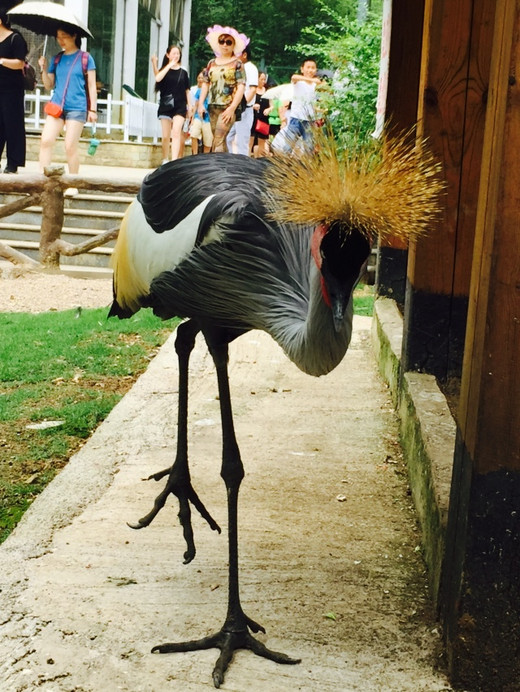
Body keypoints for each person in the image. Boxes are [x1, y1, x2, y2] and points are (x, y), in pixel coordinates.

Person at [38, 27, 97, 195]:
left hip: (77, 107)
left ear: (74, 35)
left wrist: (92, 109)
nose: (61, 40)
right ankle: (42, 181)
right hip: (57, 105)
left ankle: (73, 183)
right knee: (46, 141)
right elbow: (49, 84)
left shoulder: (86, 58)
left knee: (70, 145)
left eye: (64, 36)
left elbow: (92, 85)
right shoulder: (57, 59)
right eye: (58, 37)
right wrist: (43, 68)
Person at [198, 25, 246, 153]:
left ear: (233, 45)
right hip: (213, 105)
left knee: (218, 139)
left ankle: (216, 167)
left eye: (228, 42)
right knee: (219, 139)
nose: (225, 45)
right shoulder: (211, 63)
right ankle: (226, 167)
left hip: (227, 106)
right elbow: (206, 83)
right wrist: (201, 103)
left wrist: (232, 108)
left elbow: (241, 86)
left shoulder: (237, 64)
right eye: (222, 41)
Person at [272, 57, 321, 156]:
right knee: (288, 147)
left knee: (309, 149)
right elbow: (294, 77)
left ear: (316, 70)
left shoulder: (316, 85)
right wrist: (310, 79)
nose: (310, 70)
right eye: (308, 67)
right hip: (296, 119)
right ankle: (283, 167)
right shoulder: (299, 81)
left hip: (310, 121)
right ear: (302, 69)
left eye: (313, 68)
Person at [151, 44, 191, 164]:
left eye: (178, 53)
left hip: (180, 105)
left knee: (176, 131)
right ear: (168, 55)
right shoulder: (164, 70)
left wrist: (190, 106)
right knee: (165, 136)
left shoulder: (183, 72)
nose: (176, 56)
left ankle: (174, 160)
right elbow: (158, 78)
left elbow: (187, 90)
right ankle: (165, 159)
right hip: (166, 105)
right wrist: (168, 65)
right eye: (173, 53)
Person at [0, 8, 27, 174]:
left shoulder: (15, 39)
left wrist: (1, 61)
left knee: (12, 124)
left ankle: (13, 163)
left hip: (11, 89)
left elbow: (20, 63)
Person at [225, 44, 258, 156]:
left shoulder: (250, 68)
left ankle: (243, 169)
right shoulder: (237, 68)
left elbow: (253, 90)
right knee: (227, 138)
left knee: (242, 143)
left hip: (244, 110)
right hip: (235, 109)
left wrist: (243, 105)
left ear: (244, 54)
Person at [189, 72, 212, 154]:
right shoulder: (199, 90)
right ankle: (194, 155)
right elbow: (196, 104)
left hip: (209, 119)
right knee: (194, 135)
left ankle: (205, 157)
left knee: (208, 141)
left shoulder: (213, 92)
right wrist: (192, 119)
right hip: (198, 117)